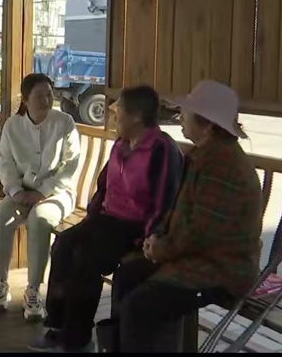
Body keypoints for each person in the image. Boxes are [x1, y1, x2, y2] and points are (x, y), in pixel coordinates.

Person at [101, 80, 263, 353]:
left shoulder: (224, 167)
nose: (180, 117)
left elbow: (200, 233)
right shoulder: (204, 155)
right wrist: (157, 238)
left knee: (140, 305)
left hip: (221, 270)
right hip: (193, 257)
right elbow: (179, 211)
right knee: (127, 276)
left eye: (187, 112)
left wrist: (161, 249)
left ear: (207, 124)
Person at [28, 85, 184, 353]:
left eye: (119, 108)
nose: (113, 113)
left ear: (136, 115)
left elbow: (165, 200)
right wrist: (92, 217)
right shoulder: (121, 144)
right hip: (107, 219)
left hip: (136, 228)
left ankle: (77, 338)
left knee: (86, 258)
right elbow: (103, 187)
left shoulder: (162, 149)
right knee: (64, 245)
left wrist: (151, 235)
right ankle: (57, 326)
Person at [0, 74, 81, 321]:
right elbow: (5, 162)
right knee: (3, 217)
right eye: (39, 96)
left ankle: (33, 289)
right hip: (21, 191)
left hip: (57, 192)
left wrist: (42, 192)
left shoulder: (64, 122)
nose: (46, 100)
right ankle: (0, 282)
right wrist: (16, 191)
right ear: (25, 99)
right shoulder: (13, 125)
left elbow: (70, 165)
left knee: (40, 219)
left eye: (49, 94)